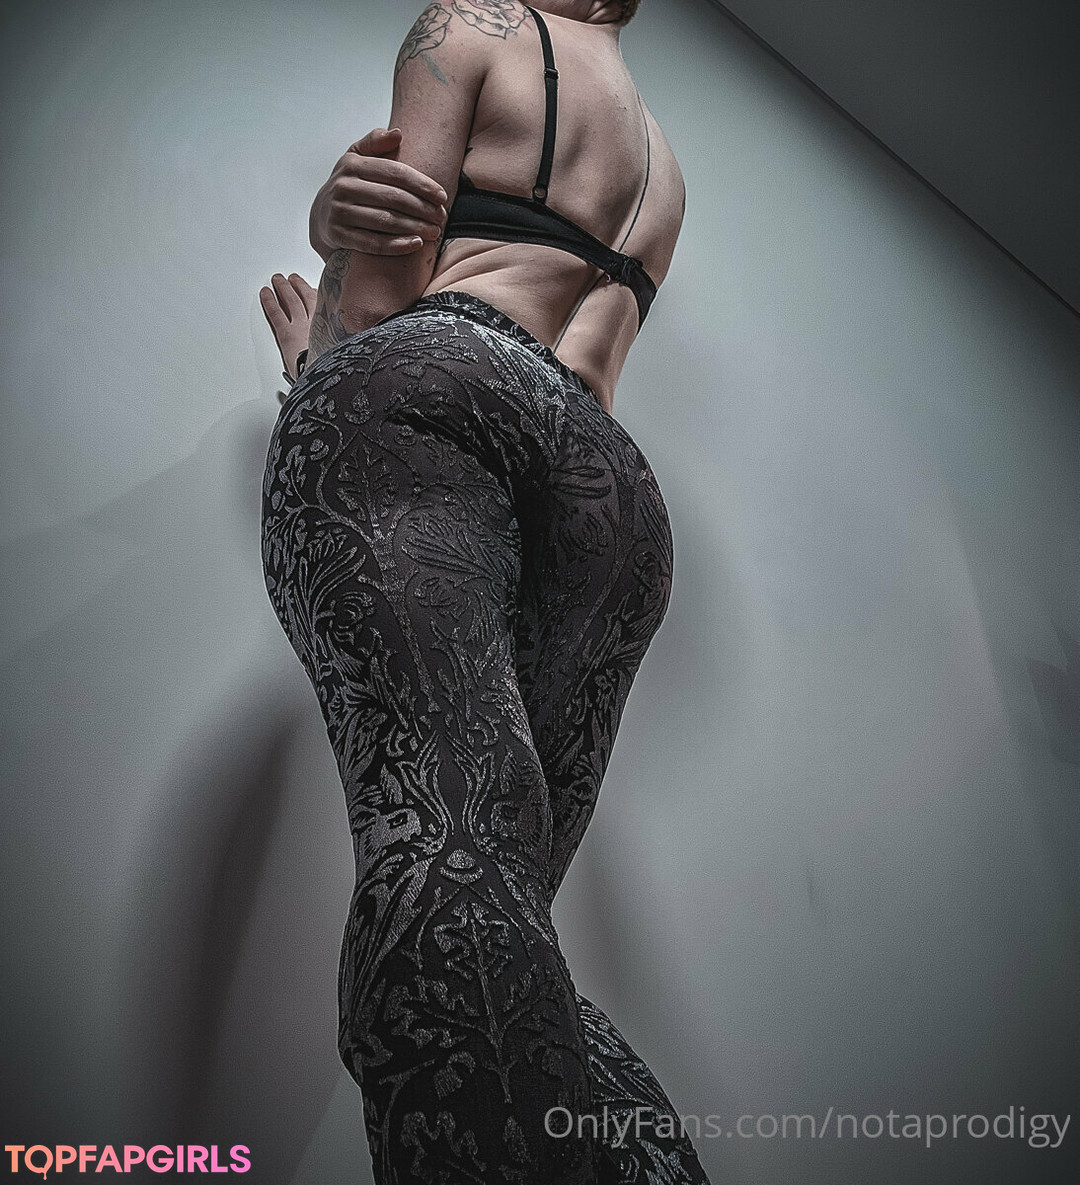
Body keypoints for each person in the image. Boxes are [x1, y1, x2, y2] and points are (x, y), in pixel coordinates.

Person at [259, 3, 708, 1181]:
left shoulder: (474, 21)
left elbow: (382, 283)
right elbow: (571, 369)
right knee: (501, 905)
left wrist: (326, 318)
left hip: (440, 376)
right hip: (615, 497)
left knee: (448, 856)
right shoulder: (663, 168)